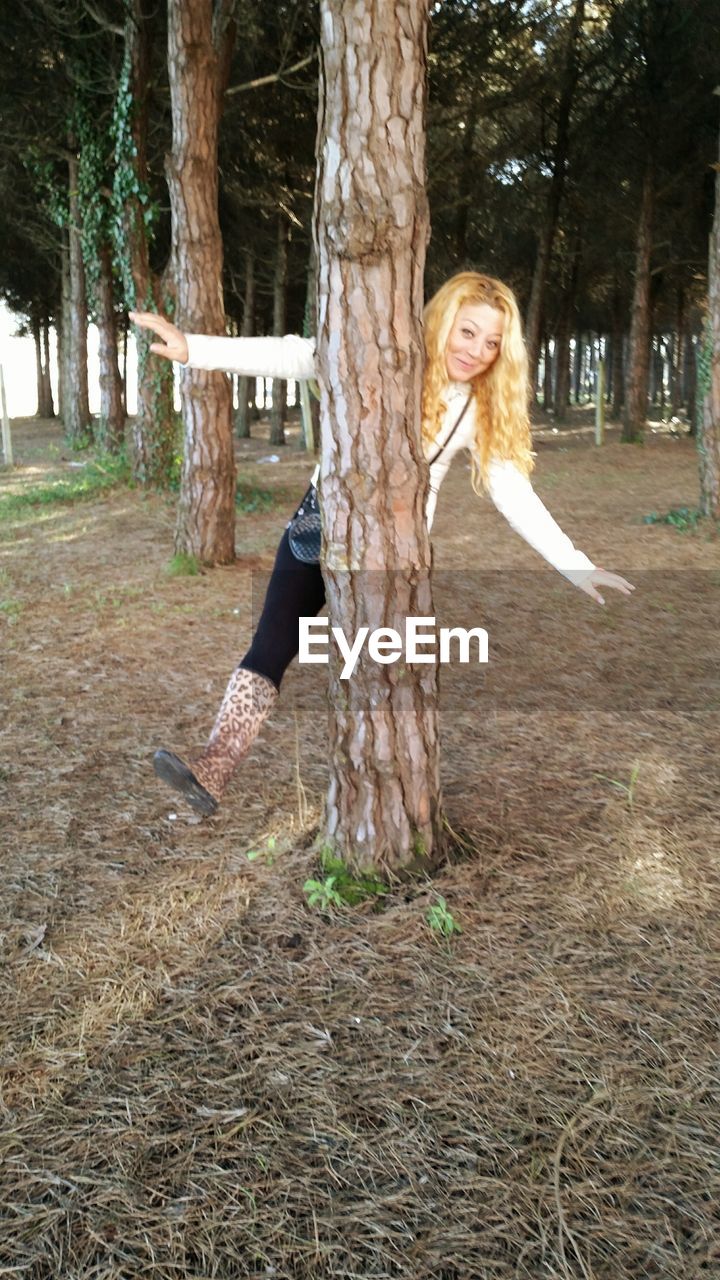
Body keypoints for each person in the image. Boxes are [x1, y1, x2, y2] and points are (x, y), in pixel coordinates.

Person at [130, 272, 634, 817]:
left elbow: (514, 493)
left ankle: (391, 795)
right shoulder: (382, 351)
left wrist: (575, 565)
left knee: (381, 670)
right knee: (271, 646)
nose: (477, 351)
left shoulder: (477, 405)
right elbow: (296, 356)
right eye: (467, 333)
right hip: (318, 523)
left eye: (491, 343)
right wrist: (192, 348)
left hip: (390, 553)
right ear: (442, 321)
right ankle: (212, 770)